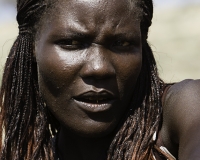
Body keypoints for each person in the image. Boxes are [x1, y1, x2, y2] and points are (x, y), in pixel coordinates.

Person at [0, 0, 200, 159]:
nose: (99, 68)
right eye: (71, 43)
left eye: (121, 43)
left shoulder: (185, 108)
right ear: (33, 46)